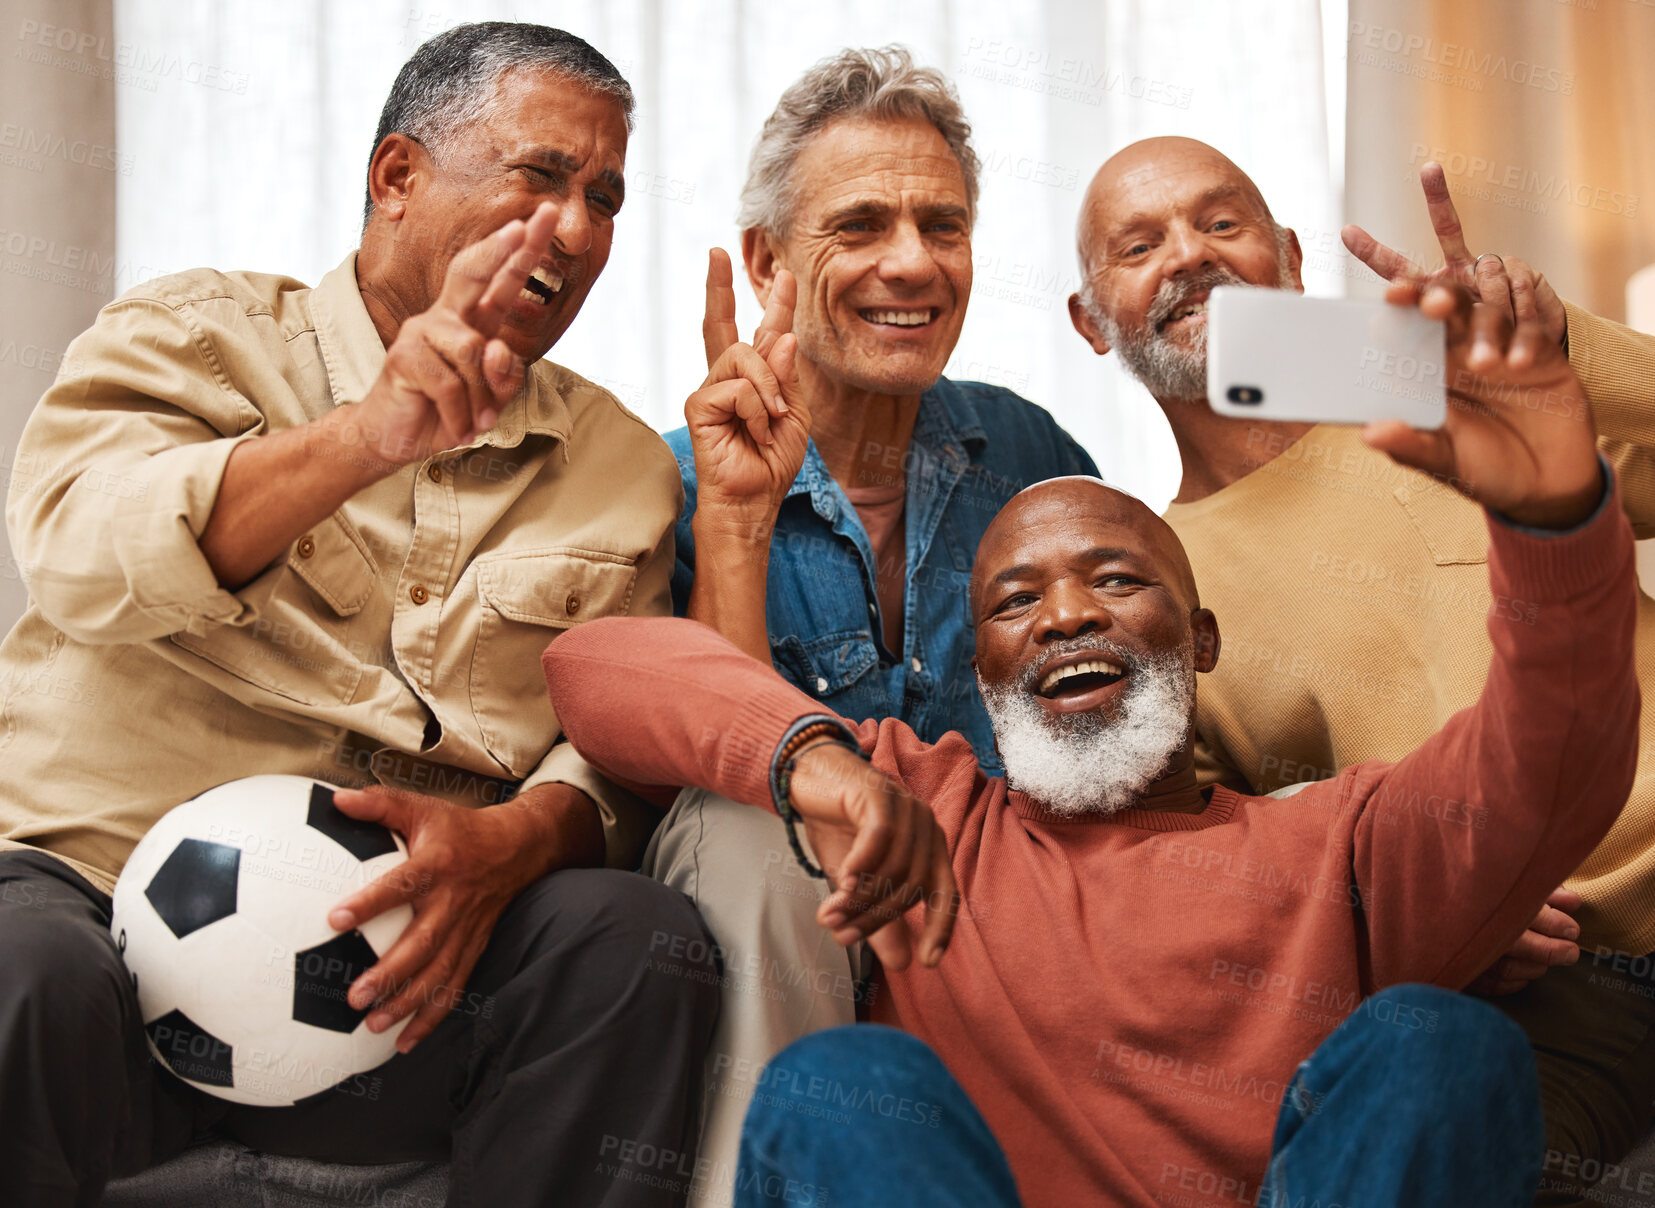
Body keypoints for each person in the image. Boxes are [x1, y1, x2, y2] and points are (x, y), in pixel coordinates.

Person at [544, 277, 1640, 1205]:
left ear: (1200, 639)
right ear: (981, 673)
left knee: (1436, 1043)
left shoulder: (1339, 840)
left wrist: (1553, 519)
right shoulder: (925, 813)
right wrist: (818, 761)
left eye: (1115, 578)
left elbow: (1552, 751)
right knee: (836, 1078)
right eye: (1016, 600)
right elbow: (595, 670)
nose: (1066, 613)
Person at [0, 23, 716, 1208]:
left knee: (631, 934)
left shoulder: (618, 464)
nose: (579, 231)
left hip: (412, 971)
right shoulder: (193, 332)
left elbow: (617, 735)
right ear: (396, 178)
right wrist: (361, 438)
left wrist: (521, 839)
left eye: (605, 197)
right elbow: (77, 547)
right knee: (12, 970)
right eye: (541, 177)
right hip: (100, 922)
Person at [1067, 138, 1655, 1205]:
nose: (1188, 256)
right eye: (1138, 244)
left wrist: (1559, 350)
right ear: (1089, 320)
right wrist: (1412, 901)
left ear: (1288, 257)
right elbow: (1214, 862)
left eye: (1220, 222)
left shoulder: (1444, 384)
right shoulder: (1150, 589)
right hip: (1536, 994)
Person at [644, 46, 1096, 1203]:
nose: (912, 262)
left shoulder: (1029, 454)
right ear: (765, 263)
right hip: (785, 877)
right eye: (860, 225)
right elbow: (722, 757)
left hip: (999, 900)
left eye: (941, 225)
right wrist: (740, 520)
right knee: (748, 841)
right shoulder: (673, 481)